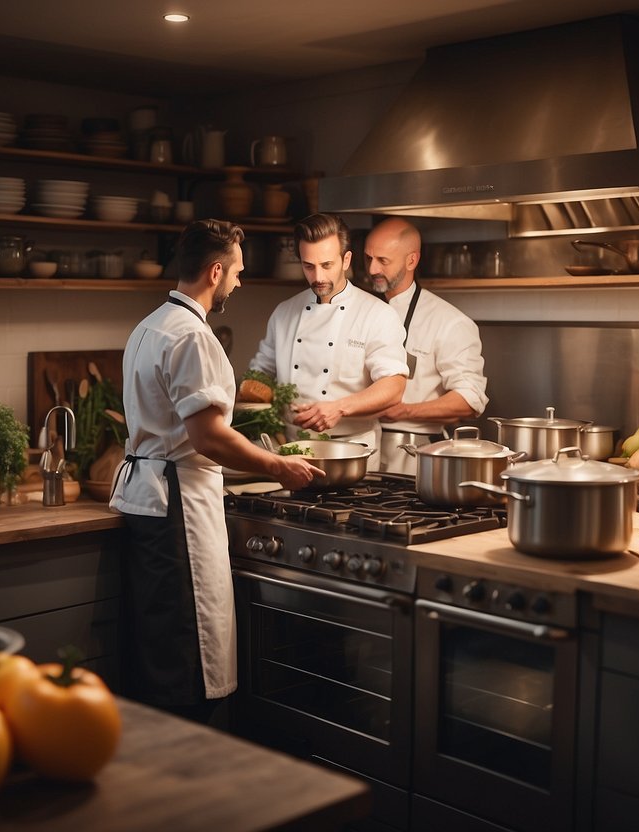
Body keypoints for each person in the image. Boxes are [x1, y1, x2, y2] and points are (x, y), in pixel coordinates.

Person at [110, 219, 324, 725]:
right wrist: (277, 463)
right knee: (192, 649)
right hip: (178, 506)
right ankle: (198, 776)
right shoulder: (193, 337)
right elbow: (208, 436)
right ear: (215, 271)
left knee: (163, 645)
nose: (239, 282)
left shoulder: (151, 324)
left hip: (150, 494)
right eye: (237, 273)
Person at [248, 213, 409, 448]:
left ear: (346, 260)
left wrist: (339, 407)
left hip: (352, 448)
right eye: (308, 266)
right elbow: (260, 375)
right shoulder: (284, 312)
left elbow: (393, 387)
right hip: (291, 446)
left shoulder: (377, 315)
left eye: (327, 265)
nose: (318, 277)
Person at [363, 217, 489, 474]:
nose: (372, 269)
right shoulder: (359, 310)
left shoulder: (450, 322)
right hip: (358, 447)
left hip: (412, 454)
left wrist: (405, 411)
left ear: (412, 260)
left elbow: (470, 399)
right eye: (368, 259)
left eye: (383, 261)